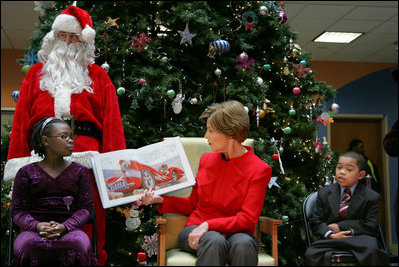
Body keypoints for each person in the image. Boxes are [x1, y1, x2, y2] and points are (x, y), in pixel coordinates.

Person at [5, 5, 126, 266]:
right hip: (40, 159)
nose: (68, 42)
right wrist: (18, 165)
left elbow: (113, 124)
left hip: (89, 159)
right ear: (54, 37)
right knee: (35, 218)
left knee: (91, 227)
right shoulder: (35, 75)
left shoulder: (98, 75)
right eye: (63, 36)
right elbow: (22, 123)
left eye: (74, 37)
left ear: (83, 42)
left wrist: (115, 171)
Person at [136, 100, 272, 266]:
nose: (206, 137)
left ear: (230, 133)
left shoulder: (259, 169)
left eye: (211, 131)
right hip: (196, 229)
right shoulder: (206, 159)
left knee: (243, 245)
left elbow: (247, 219)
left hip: (236, 232)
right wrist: (160, 200)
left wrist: (208, 224)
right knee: (214, 241)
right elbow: (192, 205)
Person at [11, 117, 96, 266]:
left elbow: (86, 209)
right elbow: (18, 212)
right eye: (64, 136)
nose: (71, 141)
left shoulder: (80, 172)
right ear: (45, 140)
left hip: (71, 230)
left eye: (72, 136)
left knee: (77, 245)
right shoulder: (26, 173)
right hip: (34, 230)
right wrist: (38, 226)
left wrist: (64, 227)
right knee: (27, 246)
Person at [304, 151, 389, 266]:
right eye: (339, 168)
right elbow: (316, 220)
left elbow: (371, 225)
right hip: (332, 239)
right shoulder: (325, 193)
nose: (342, 172)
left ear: (361, 175)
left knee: (373, 250)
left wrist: (340, 226)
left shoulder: (371, 196)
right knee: (311, 253)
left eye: (349, 169)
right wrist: (330, 234)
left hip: (358, 238)